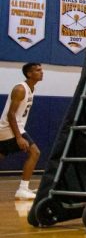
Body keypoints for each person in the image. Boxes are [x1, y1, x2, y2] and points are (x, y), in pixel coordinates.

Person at [0, 63, 43, 200]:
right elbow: (11, 115)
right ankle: (23, 189)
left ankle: (24, 189)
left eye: (41, 69)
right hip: (9, 129)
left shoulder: (32, 88)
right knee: (35, 152)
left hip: (9, 129)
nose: (42, 72)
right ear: (29, 74)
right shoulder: (20, 89)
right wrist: (19, 137)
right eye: (38, 70)